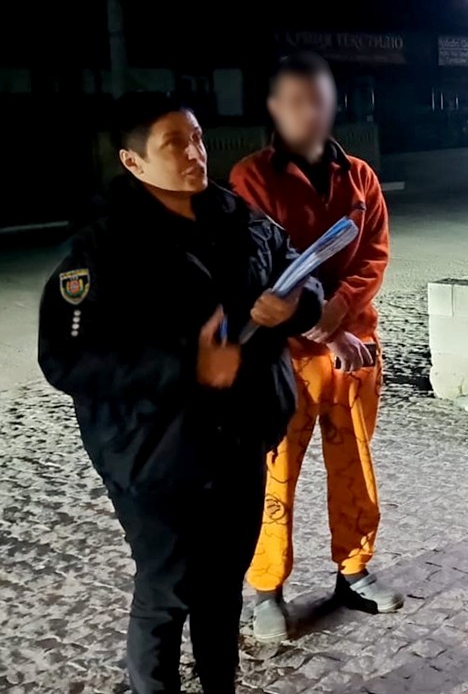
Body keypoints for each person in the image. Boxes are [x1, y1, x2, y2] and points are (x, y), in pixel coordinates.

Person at [38, 92, 322, 694]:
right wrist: (185, 364)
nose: (195, 154)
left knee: (222, 588)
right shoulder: (100, 247)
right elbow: (67, 358)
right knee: (168, 592)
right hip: (156, 453)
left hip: (240, 440)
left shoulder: (241, 219)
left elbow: (301, 272)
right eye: (175, 144)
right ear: (133, 161)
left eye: (197, 138)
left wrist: (297, 304)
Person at [229, 52, 399, 641]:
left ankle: (353, 570)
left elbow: (374, 256)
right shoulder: (252, 179)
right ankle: (266, 588)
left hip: (355, 352)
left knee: (355, 464)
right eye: (297, 101)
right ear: (274, 108)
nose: (311, 113)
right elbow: (262, 271)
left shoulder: (361, 177)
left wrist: (339, 311)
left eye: (320, 100)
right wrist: (323, 326)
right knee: (275, 473)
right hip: (283, 357)